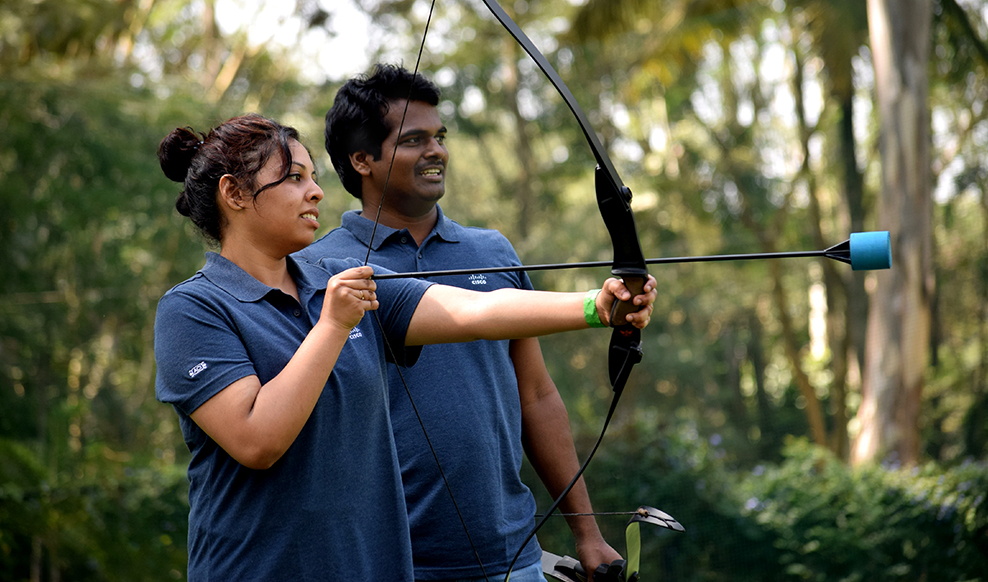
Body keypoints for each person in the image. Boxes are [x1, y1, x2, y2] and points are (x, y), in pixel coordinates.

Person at [154, 113, 656, 582]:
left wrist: (596, 306)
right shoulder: (193, 310)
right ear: (234, 194)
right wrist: (332, 326)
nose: (316, 193)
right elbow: (257, 440)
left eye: (312, 177)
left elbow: (474, 312)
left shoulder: (334, 280)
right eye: (294, 178)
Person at [294, 64, 627, 581]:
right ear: (362, 160)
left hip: (512, 559)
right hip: (386, 563)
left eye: (440, 137)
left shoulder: (491, 250)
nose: (437, 151)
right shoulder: (320, 269)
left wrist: (586, 532)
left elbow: (535, 394)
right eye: (413, 140)